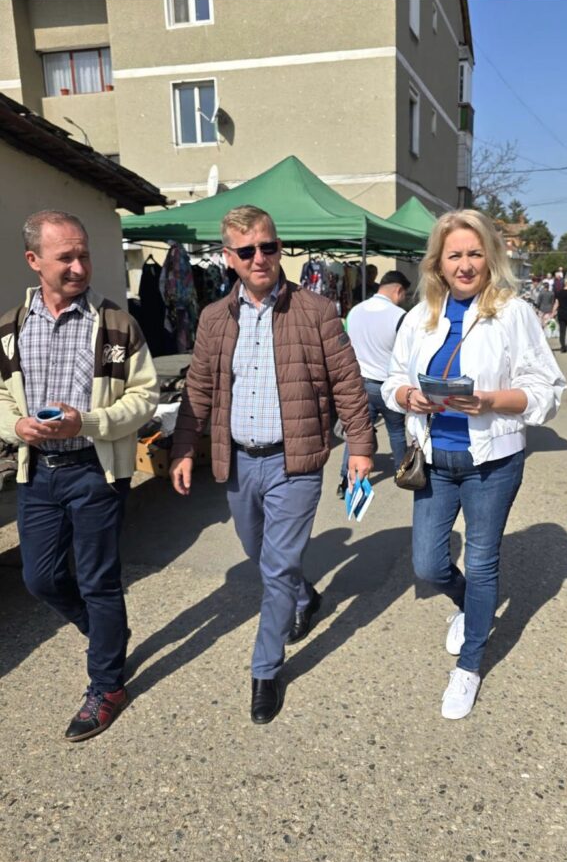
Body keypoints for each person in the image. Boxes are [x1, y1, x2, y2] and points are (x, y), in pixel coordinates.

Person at [169, 206, 374, 725]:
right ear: (228, 258)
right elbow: (198, 388)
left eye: (268, 246)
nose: (259, 258)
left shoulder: (317, 310)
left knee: (277, 567)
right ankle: (306, 596)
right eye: (247, 251)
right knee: (258, 552)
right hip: (239, 462)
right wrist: (184, 447)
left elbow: (347, 382)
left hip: (295, 461)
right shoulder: (214, 317)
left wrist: (361, 446)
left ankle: (265, 670)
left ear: (278, 248)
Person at [383, 209, 565, 719]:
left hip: (492, 464)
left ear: (490, 258)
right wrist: (408, 396)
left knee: (482, 562)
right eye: (454, 255)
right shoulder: (419, 316)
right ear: (437, 263)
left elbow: (546, 391)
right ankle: (470, 608)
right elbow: (392, 380)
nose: (465, 265)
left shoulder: (513, 313)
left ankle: (469, 665)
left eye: (474, 254)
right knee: (428, 564)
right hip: (433, 460)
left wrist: (489, 401)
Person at [0, 210, 159, 741]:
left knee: (98, 580)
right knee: (39, 578)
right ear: (34, 260)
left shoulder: (116, 323)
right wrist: (16, 426)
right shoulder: (9, 328)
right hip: (37, 472)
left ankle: (107, 685)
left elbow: (145, 396)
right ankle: (107, 636)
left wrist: (87, 422)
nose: (78, 266)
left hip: (95, 469)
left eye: (83, 255)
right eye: (65, 257)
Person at [336, 269, 411, 498]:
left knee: (357, 434)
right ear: (398, 290)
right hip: (387, 385)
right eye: (405, 295)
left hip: (359, 384)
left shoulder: (355, 311)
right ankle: (402, 474)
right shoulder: (400, 316)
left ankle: (346, 480)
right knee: (396, 431)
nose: (404, 299)